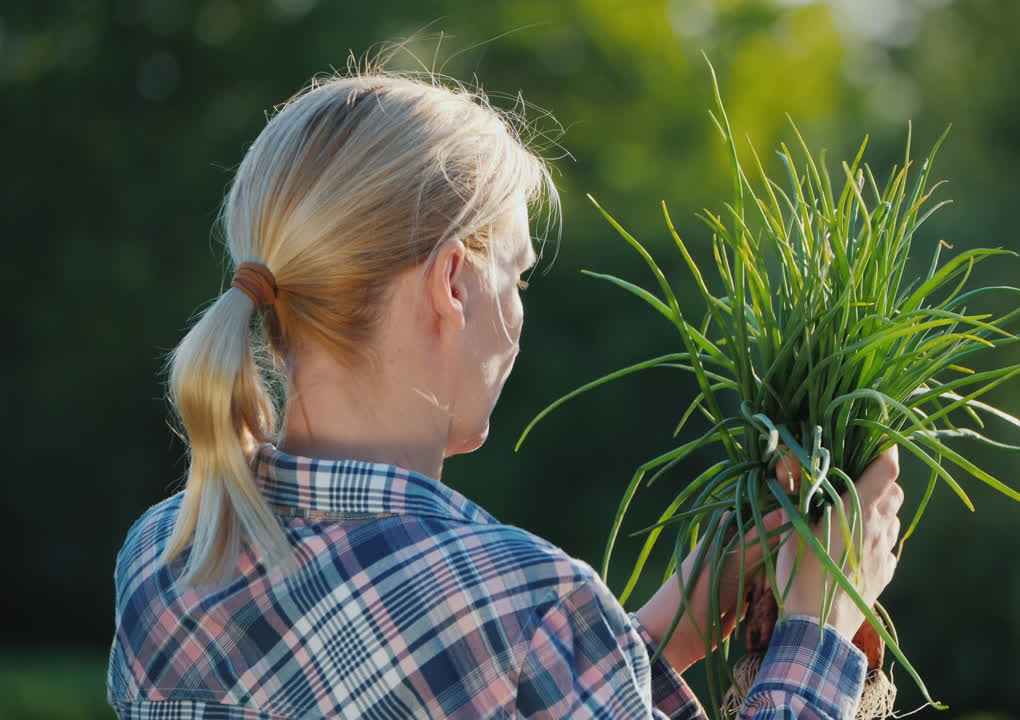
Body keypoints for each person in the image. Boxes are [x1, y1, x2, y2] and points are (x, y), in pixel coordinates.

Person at [107, 62, 905, 719]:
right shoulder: (526, 605)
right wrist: (820, 627)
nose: (518, 314)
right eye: (517, 275)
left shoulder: (164, 556)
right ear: (452, 281)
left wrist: (658, 632)